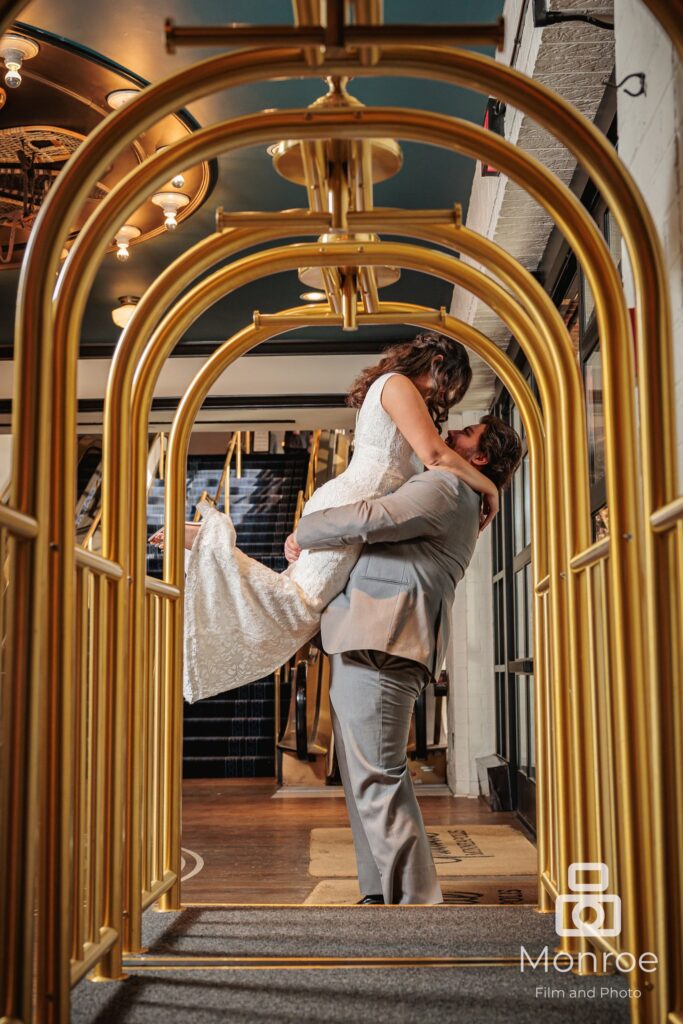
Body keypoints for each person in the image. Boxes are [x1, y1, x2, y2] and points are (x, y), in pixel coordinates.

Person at [151, 332, 500, 702]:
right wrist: (491, 489)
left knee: (297, 602)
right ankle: (209, 539)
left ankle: (206, 540)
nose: (442, 397)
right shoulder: (399, 386)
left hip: (348, 505)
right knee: (298, 606)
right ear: (438, 365)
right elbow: (434, 457)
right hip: (354, 506)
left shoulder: (398, 390)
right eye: (448, 387)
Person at [284, 417, 523, 905]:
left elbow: (372, 516)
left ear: (478, 457)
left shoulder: (447, 489)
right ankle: (380, 895)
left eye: (467, 433)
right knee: (364, 780)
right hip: (376, 640)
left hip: (383, 642)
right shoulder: (464, 491)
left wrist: (307, 528)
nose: (452, 432)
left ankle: (416, 911)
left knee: (379, 779)